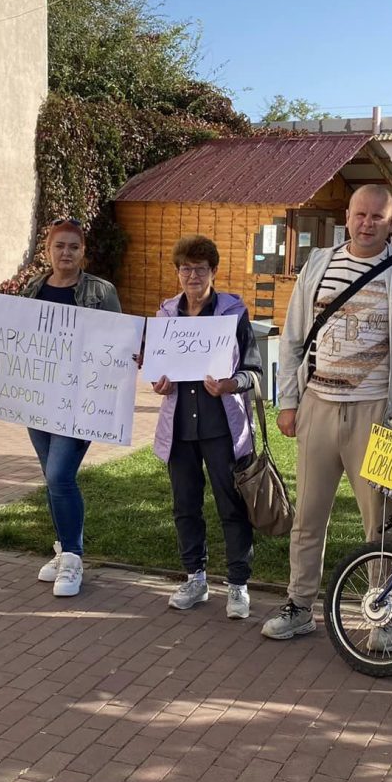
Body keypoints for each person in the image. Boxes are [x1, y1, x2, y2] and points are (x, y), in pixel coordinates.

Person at [261, 185, 392, 641]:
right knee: (308, 516)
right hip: (318, 407)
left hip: (378, 415)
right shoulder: (319, 265)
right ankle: (300, 604)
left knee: (382, 523)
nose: (367, 224)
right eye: (360, 214)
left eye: (378, 218)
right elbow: (292, 339)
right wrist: (289, 401)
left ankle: (380, 617)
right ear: (347, 215)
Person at [0, 217, 122, 597]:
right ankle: (64, 548)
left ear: (83, 251)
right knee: (53, 480)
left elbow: (117, 343)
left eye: (73, 246)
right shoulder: (33, 288)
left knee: (59, 476)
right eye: (59, 246)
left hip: (80, 401)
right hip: (39, 400)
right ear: (48, 251)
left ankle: (72, 557)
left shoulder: (101, 292)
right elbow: (18, 336)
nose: (66, 253)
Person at [149, 235, 262, 619]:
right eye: (185, 268)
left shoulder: (233, 313)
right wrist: (158, 382)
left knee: (231, 504)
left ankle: (237, 585)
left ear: (214, 272)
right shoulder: (166, 315)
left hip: (221, 426)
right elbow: (158, 371)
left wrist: (232, 384)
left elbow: (254, 372)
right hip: (180, 426)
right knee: (185, 505)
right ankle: (195, 578)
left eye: (200, 268)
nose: (192, 275)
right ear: (177, 272)